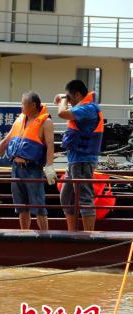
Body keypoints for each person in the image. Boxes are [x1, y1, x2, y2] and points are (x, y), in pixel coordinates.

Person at [0, 91, 56, 230]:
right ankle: (24, 234)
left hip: (33, 169)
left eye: (23, 103)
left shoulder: (46, 122)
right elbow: (5, 141)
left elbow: (50, 145)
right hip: (16, 168)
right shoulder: (20, 119)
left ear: (33, 105)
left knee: (39, 207)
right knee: (21, 207)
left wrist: (49, 166)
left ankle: (45, 237)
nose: (21, 106)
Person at [54, 80, 104, 231]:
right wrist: (64, 98)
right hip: (74, 161)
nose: (68, 100)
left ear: (77, 94)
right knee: (66, 197)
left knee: (84, 198)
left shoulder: (88, 109)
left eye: (70, 97)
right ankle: (72, 232)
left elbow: (62, 113)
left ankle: (90, 237)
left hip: (83, 160)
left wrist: (63, 99)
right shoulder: (82, 108)